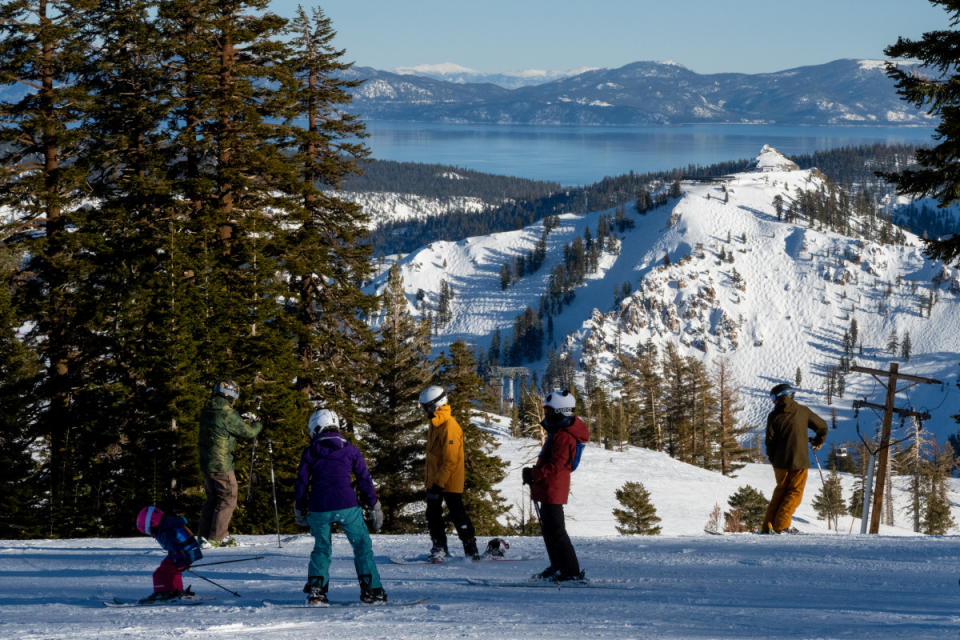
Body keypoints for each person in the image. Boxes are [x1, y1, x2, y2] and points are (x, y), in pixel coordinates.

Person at [294, 409, 386, 605]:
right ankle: (372, 590)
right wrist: (373, 505)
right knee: (362, 546)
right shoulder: (351, 449)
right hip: (346, 505)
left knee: (322, 548)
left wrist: (299, 507)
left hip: (319, 507)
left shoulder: (310, 451)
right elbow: (364, 479)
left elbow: (301, 482)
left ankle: (317, 590)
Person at [522, 389, 589, 582]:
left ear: (560, 412)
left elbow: (556, 464)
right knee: (549, 529)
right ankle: (558, 565)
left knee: (557, 530)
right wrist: (534, 475)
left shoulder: (564, 436)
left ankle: (571, 571)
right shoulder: (559, 432)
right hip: (549, 486)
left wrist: (533, 474)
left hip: (554, 487)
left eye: (549, 411)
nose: (546, 415)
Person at [197, 379, 262, 548]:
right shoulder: (227, 412)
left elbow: (222, 427)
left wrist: (240, 418)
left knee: (213, 498)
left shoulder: (208, 408)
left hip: (206, 461)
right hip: (221, 463)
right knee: (228, 497)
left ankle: (204, 536)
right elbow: (248, 432)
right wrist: (257, 424)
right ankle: (218, 537)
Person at [420, 385, 480, 562]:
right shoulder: (435, 423)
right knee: (432, 514)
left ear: (435, 405)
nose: (423, 410)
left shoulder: (449, 426)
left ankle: (471, 549)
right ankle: (439, 547)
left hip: (449, 480)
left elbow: (451, 460)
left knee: (457, 514)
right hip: (436, 479)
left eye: (425, 406)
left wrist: (438, 484)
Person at [762, 382, 828, 534]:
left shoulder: (773, 416)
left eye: (774, 398)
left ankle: (768, 527)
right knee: (794, 493)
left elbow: (769, 441)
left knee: (780, 492)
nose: (773, 401)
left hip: (779, 462)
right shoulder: (802, 411)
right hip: (799, 460)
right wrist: (818, 441)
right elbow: (822, 426)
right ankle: (781, 526)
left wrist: (773, 458)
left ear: (781, 397)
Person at [135, 506, 203, 603]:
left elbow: (175, 546)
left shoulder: (164, 531)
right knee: (171, 571)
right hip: (188, 553)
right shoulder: (168, 524)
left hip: (182, 554)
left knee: (160, 573)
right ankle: (176, 592)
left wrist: (180, 561)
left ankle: (164, 593)